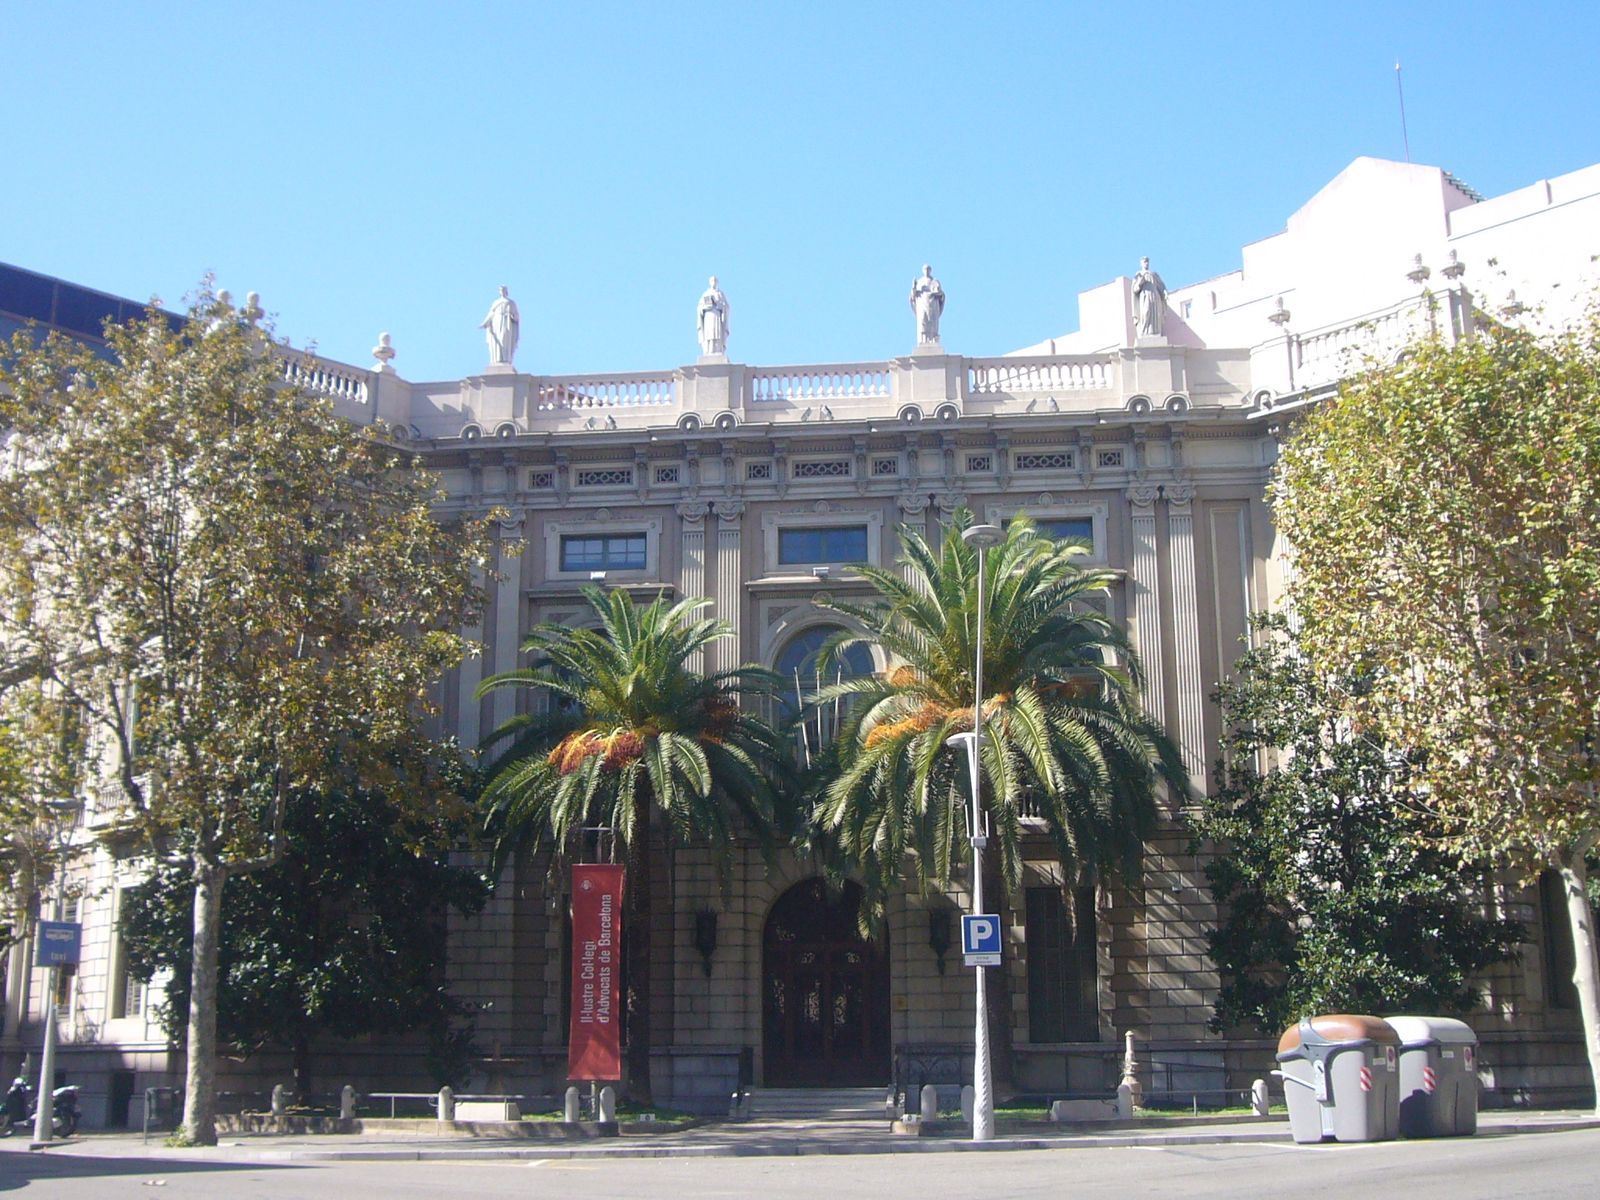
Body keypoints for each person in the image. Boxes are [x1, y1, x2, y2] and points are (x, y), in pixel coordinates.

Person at [480, 285, 520, 366]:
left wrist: (513, 317)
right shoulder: (496, 302)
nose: (502, 292)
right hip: (497, 321)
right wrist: (485, 323)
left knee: (505, 338)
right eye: (501, 290)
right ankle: (497, 359)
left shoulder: (511, 302)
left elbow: (516, 315)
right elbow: (491, 314)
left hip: (507, 322)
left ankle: (506, 359)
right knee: (497, 339)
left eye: (504, 290)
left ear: (506, 291)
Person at [909, 264, 945, 344]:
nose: (927, 271)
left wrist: (937, 293)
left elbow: (941, 294)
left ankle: (933, 339)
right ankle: (923, 339)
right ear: (923, 271)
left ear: (930, 271)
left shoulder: (934, 282)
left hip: (933, 304)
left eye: (928, 269)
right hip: (922, 304)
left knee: (933, 321)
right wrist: (913, 287)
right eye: (925, 269)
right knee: (923, 320)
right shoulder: (919, 282)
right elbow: (913, 295)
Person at [1132, 256, 1167, 338]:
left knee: (1156, 314)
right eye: (1144, 262)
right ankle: (1144, 332)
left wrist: (1165, 292)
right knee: (1146, 312)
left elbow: (1161, 286)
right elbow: (1135, 290)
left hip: (1155, 296)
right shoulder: (1139, 275)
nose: (1146, 263)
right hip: (1145, 296)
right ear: (1141, 264)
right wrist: (1140, 283)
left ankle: (1155, 332)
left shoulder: (1154, 274)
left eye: (1147, 262)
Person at [697, 276, 730, 356]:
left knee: (717, 332)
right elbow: (699, 307)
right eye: (712, 281)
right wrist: (705, 307)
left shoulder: (720, 294)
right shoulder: (706, 294)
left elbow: (726, 306)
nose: (713, 282)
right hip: (708, 316)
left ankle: (717, 348)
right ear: (709, 282)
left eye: (715, 281)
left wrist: (719, 305)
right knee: (709, 333)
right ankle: (708, 349)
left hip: (717, 316)